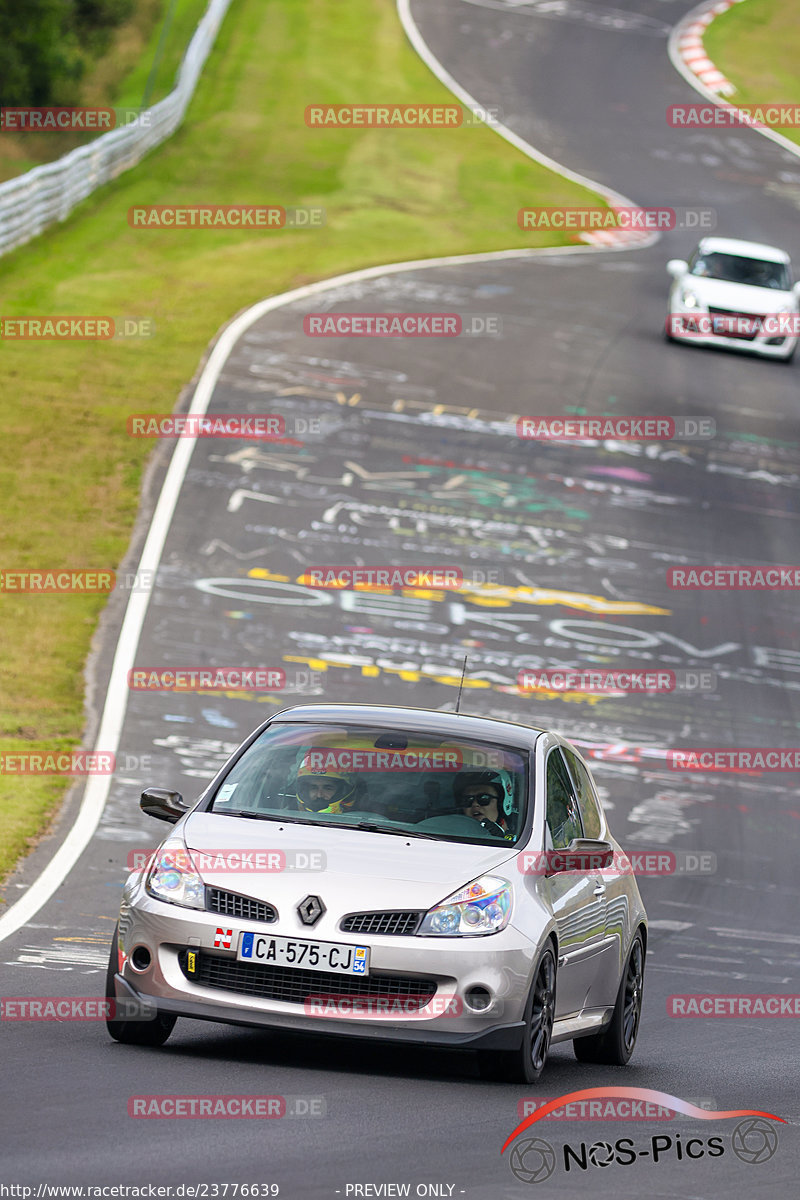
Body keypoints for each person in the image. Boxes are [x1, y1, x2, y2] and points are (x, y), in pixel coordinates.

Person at [454, 768, 516, 835]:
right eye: (467, 800)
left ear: (501, 803)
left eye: (484, 798)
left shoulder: (522, 837)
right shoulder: (451, 833)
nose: (475, 804)